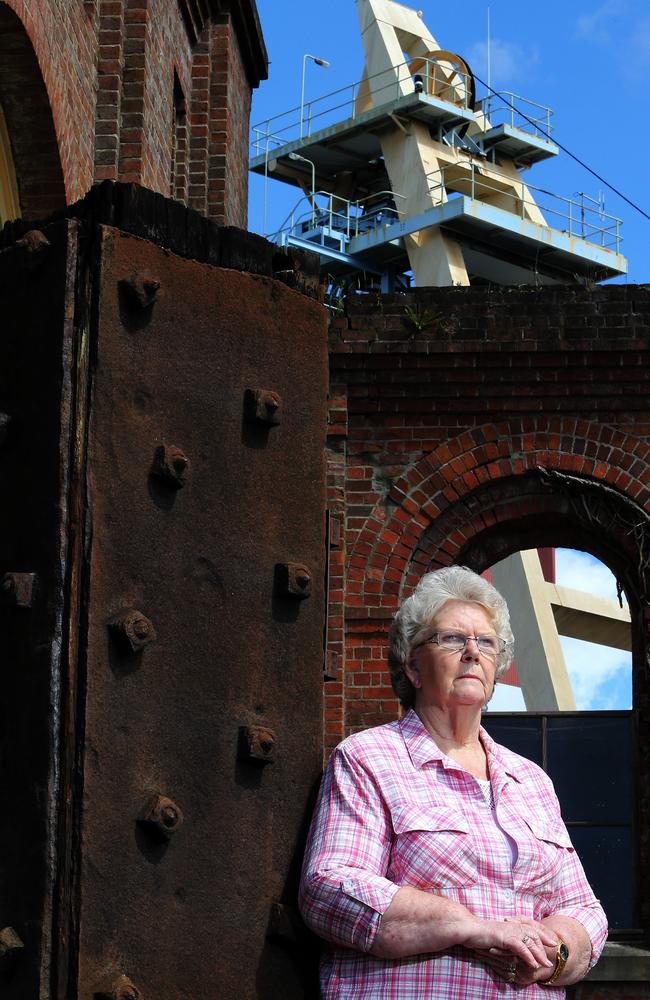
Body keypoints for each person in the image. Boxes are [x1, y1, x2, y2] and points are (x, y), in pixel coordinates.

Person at [299, 565, 607, 997]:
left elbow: (584, 909)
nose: (472, 652)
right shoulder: (369, 757)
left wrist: (553, 952)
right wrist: (475, 929)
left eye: (485, 642)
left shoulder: (531, 781)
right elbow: (330, 888)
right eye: (451, 639)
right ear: (412, 665)